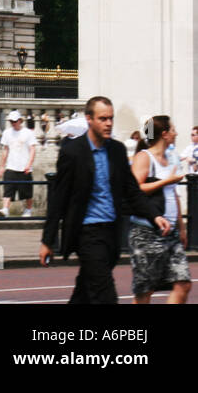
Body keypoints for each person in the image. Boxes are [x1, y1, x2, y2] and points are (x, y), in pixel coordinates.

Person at [40, 97, 171, 304]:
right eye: (103, 118)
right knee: (105, 295)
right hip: (87, 232)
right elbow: (59, 198)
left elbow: (131, 190)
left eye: (110, 118)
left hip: (111, 230)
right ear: (89, 119)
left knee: (85, 290)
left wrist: (154, 216)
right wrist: (47, 240)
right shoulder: (72, 152)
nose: (108, 123)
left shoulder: (117, 150)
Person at [128, 115, 190, 304]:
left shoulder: (171, 157)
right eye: (173, 130)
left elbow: (173, 195)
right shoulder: (144, 157)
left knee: (183, 283)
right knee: (145, 291)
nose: (176, 133)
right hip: (147, 232)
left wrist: (181, 226)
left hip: (170, 231)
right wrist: (166, 181)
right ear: (164, 134)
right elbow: (135, 188)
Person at [0, 111, 37, 218]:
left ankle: (28, 210)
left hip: (24, 166)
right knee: (8, 190)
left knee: (27, 192)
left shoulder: (28, 133)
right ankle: (5, 209)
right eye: (11, 121)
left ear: (20, 120)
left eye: (15, 121)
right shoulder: (7, 133)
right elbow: (5, 150)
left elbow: (33, 149)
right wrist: (2, 166)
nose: (13, 123)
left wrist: (29, 164)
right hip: (11, 166)